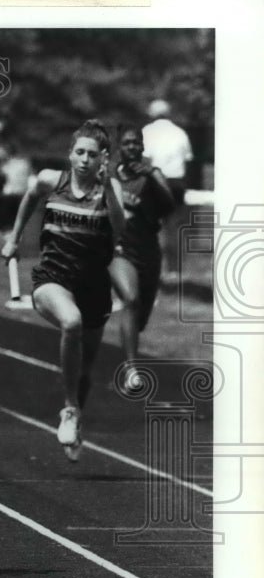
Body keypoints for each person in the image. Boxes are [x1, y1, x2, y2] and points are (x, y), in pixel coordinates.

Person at [1, 119, 126, 461]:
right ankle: (69, 410)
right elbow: (29, 199)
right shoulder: (50, 180)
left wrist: (111, 186)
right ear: (70, 154)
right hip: (52, 279)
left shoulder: (108, 190)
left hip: (94, 286)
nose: (85, 160)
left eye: (92, 155)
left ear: (103, 159)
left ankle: (75, 416)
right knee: (71, 322)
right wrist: (14, 238)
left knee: (84, 368)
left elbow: (119, 229)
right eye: (79, 153)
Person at [110, 126, 174, 385]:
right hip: (119, 250)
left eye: (136, 143)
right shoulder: (111, 176)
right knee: (130, 299)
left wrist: (152, 176)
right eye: (127, 143)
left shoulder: (153, 174)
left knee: (141, 316)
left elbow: (169, 205)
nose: (133, 147)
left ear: (143, 147)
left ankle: (128, 348)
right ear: (119, 148)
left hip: (148, 250)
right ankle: (132, 368)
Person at [141, 99, 192, 282]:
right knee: (174, 226)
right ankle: (175, 271)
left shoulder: (147, 132)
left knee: (154, 227)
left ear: (152, 114)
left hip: (157, 180)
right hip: (177, 182)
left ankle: (156, 269)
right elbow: (186, 159)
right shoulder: (180, 133)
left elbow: (144, 160)